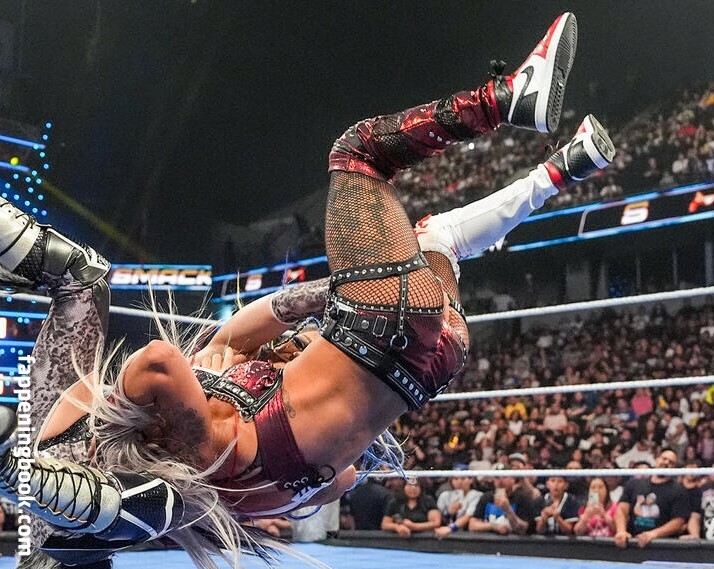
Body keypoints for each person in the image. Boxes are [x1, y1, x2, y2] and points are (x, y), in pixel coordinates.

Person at [0, 12, 616, 567]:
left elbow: (311, 426)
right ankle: (505, 99)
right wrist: (121, 411)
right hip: (382, 333)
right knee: (358, 154)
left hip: (436, 358)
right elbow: (159, 362)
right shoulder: (210, 445)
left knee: (438, 238)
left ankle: (560, 170)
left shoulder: (251, 477)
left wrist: (276, 342)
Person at [614, 449, 690, 548]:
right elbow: (621, 509)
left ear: (674, 468)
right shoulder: (634, 484)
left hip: (661, 546)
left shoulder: (679, 491)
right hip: (632, 543)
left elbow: (678, 521)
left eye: (671, 462)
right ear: (657, 460)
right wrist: (621, 531)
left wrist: (653, 534)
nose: (666, 463)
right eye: (664, 459)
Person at [468, 465, 538, 536]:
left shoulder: (522, 498)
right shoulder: (487, 497)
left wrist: (507, 510)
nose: (500, 481)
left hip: (514, 541)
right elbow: (472, 525)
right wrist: (493, 526)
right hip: (489, 540)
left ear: (513, 479)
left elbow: (524, 530)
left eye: (504, 477)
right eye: (497, 477)